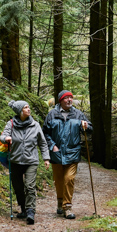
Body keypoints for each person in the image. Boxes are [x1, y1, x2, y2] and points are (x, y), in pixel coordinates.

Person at [43, 90, 92, 219]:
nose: (69, 100)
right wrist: (52, 145)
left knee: (69, 179)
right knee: (59, 181)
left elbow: (90, 129)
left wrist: (86, 126)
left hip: (72, 152)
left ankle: (67, 207)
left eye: (71, 97)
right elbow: (45, 133)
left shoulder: (78, 114)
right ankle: (60, 201)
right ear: (61, 100)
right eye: (66, 98)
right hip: (56, 154)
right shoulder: (52, 114)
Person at [1, 100, 50, 225]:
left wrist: (46, 158)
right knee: (18, 187)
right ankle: (23, 208)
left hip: (31, 161)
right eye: (26, 107)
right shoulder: (11, 124)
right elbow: (3, 136)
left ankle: (30, 211)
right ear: (19, 111)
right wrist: (6, 138)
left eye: (29, 107)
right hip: (15, 160)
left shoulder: (35, 125)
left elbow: (43, 143)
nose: (29, 109)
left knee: (30, 186)